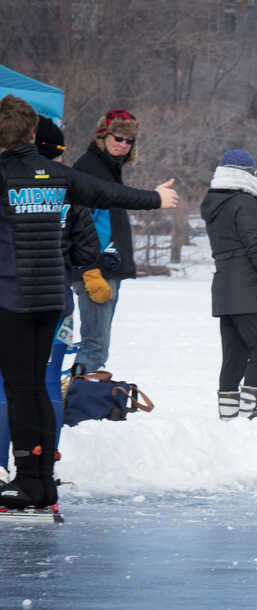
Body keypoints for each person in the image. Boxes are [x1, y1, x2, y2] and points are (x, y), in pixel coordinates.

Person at [0, 94, 178, 509]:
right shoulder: (57, 175)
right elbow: (105, 193)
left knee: (21, 387)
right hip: (52, 300)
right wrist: (153, 198)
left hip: (12, 298)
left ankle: (28, 481)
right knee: (38, 388)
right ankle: (42, 480)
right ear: (31, 132)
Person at [201, 149, 257, 420]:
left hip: (225, 291)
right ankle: (248, 416)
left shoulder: (215, 203)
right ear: (249, 175)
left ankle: (228, 418)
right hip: (250, 290)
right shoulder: (245, 203)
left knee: (235, 354)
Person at [71, 108, 146, 373]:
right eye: (118, 138)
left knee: (98, 340)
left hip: (106, 264)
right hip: (96, 268)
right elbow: (81, 221)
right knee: (95, 343)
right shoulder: (90, 168)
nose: (123, 145)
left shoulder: (108, 168)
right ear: (104, 135)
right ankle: (79, 397)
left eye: (129, 141)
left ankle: (82, 389)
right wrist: (90, 266)